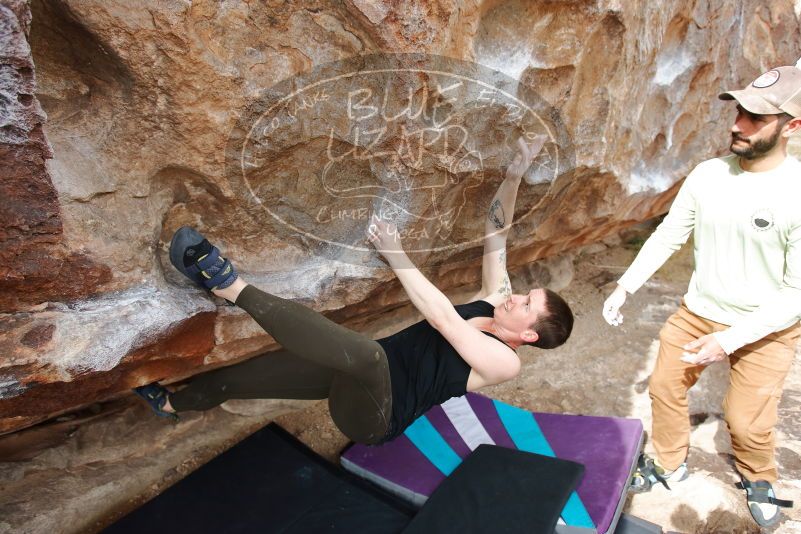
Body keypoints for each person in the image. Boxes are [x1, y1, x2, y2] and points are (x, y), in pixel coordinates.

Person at [136, 137, 574, 447]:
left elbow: (444, 319)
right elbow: (497, 232)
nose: (516, 297)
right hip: (353, 372)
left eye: (526, 304)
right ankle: (172, 405)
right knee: (241, 378)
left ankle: (226, 283)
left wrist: (395, 253)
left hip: (375, 415)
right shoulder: (498, 297)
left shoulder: (505, 363)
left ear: (529, 335)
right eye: (526, 293)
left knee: (370, 355)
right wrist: (516, 172)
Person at [602, 63, 801, 527]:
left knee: (746, 421)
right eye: (739, 111)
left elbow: (797, 294)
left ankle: (759, 478)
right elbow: (669, 235)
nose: (737, 124)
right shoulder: (709, 174)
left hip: (767, 327)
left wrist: (727, 341)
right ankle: (670, 463)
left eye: (755, 117)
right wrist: (625, 285)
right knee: (664, 387)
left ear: (793, 125)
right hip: (698, 312)